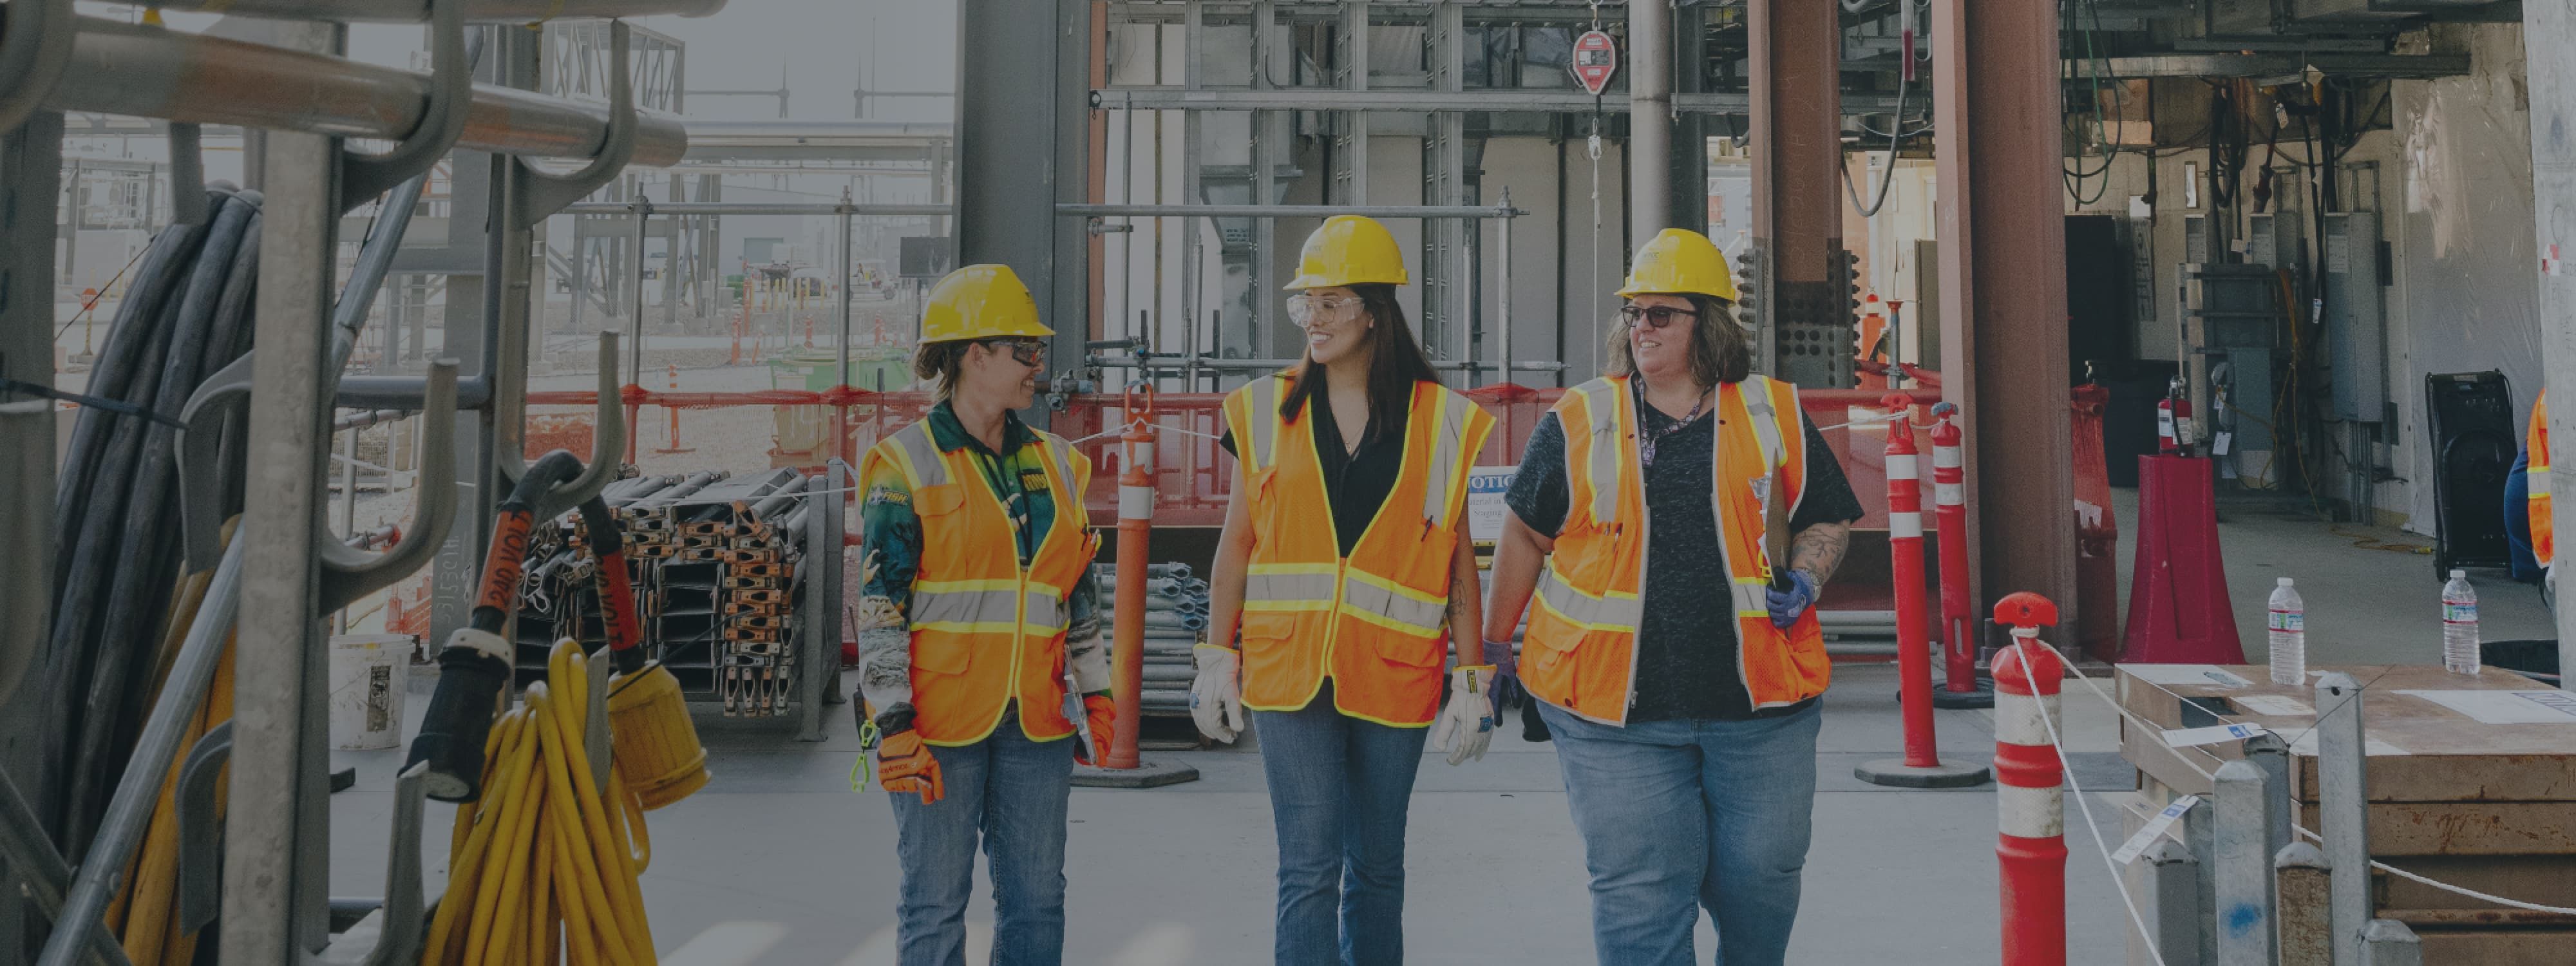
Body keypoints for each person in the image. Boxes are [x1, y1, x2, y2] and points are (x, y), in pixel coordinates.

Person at [1482, 228, 1864, 966]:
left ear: (1708, 323)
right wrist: (1495, 649)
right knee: (1641, 899)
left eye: (1662, 314)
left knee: (1762, 885)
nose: (1641, 327)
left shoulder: (1771, 412)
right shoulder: (1579, 418)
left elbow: (1826, 514)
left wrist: (1808, 576)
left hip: (1761, 713)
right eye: (1633, 313)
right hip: (1612, 716)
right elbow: (1525, 535)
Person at [1193, 214, 1500, 966]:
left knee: (1378, 868)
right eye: (1306, 305)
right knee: (1307, 867)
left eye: (1331, 302)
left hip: (1394, 676)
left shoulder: (1441, 422)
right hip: (1287, 673)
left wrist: (1472, 678)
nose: (1315, 319)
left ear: (1374, 309)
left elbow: (1457, 561)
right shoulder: (1265, 410)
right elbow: (1238, 542)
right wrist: (1213, 656)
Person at [852, 263, 1113, 966]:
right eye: (1025, 351)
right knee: (935, 905)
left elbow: (1072, 590)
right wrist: (894, 722)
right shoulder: (905, 464)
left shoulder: (1055, 462)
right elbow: (879, 605)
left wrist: (1097, 689)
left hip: (1035, 720)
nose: (1039, 365)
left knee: (1036, 901)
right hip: (937, 725)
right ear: (975, 355)